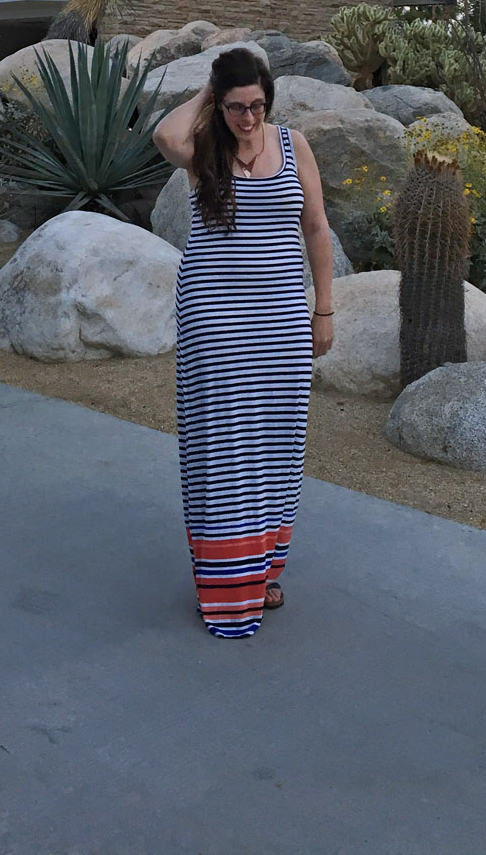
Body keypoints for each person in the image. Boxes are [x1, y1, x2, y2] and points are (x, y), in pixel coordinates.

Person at [152, 45, 334, 637]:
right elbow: (163, 136)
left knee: (277, 442)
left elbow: (316, 229)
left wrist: (323, 308)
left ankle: (263, 567)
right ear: (219, 103)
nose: (249, 118)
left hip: (281, 321)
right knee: (227, 448)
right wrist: (208, 97)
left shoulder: (292, 145)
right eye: (236, 106)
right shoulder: (205, 148)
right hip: (216, 320)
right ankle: (228, 584)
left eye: (257, 104)